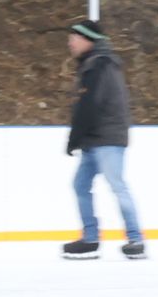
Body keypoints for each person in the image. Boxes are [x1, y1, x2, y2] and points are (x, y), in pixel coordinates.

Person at [61, 20, 142, 262]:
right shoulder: (93, 63)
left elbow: (90, 106)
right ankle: (90, 238)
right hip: (95, 139)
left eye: (74, 38)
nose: (70, 43)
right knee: (80, 185)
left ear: (87, 39)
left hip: (107, 139)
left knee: (117, 185)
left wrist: (74, 138)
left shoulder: (100, 65)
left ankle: (136, 239)